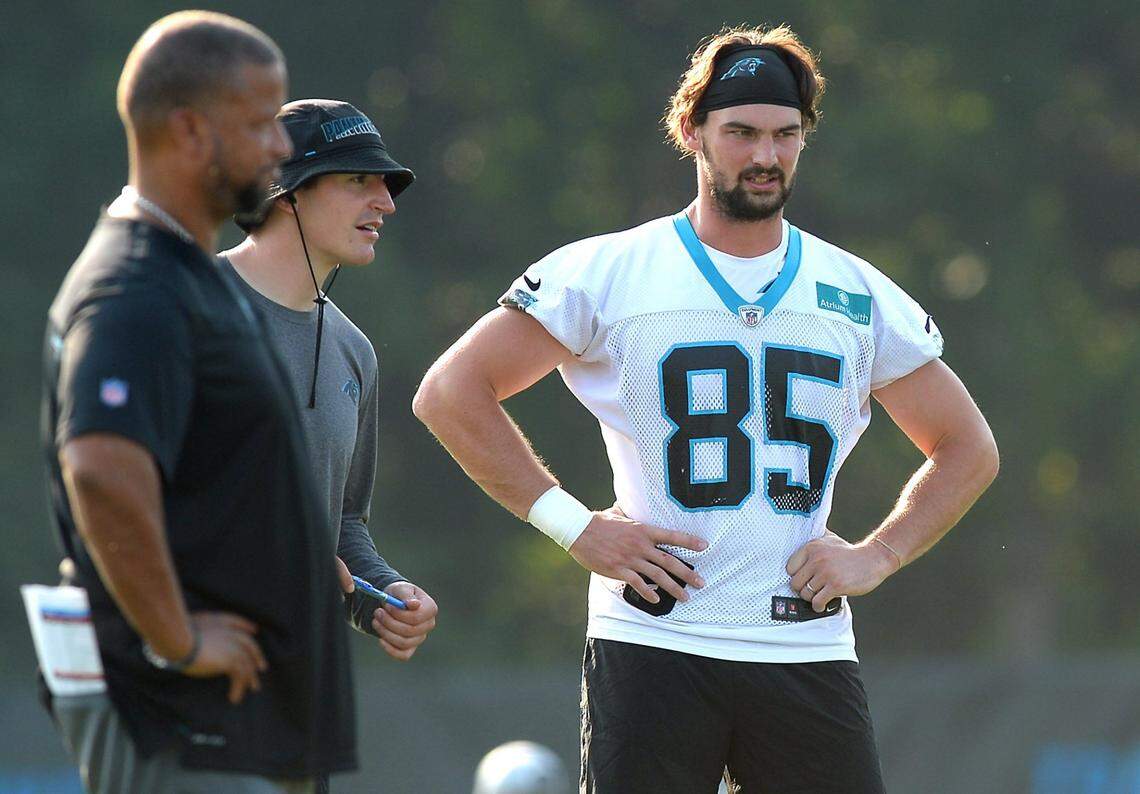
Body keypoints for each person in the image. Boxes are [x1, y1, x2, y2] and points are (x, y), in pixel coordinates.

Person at [413, 23, 999, 793]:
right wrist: (574, 526)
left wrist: (877, 555)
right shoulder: (610, 271)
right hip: (654, 639)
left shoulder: (856, 292)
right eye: (742, 132)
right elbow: (450, 393)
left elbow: (967, 447)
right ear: (692, 131)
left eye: (786, 134)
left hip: (802, 645)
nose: (765, 156)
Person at [42, 12, 355, 792]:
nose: (281, 147)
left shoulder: (186, 276)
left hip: (239, 726)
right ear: (189, 132)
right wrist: (176, 638)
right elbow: (102, 470)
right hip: (186, 720)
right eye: (258, 125)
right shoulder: (134, 289)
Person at [220, 99, 438, 661]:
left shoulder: (353, 351)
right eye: (357, 179)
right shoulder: (185, 309)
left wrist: (383, 592)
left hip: (301, 676)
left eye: (386, 185)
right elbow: (126, 496)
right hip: (182, 671)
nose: (385, 203)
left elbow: (339, 523)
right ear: (288, 192)